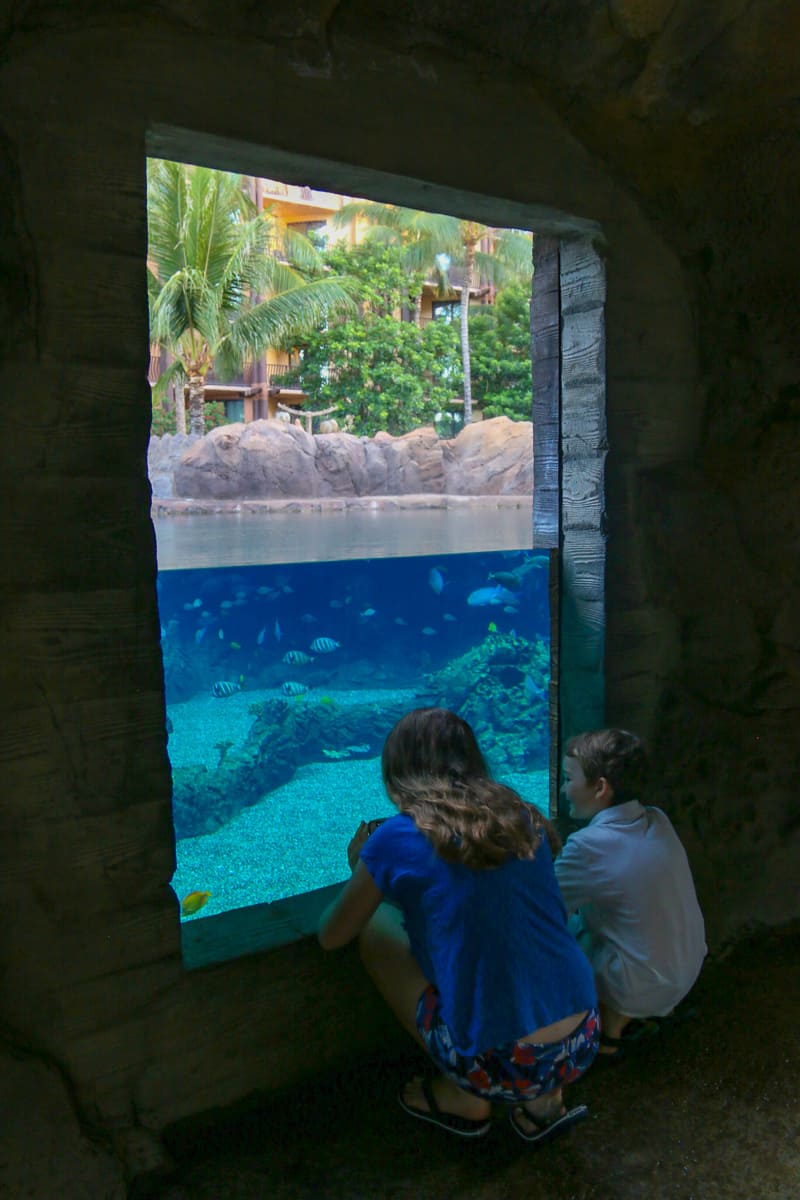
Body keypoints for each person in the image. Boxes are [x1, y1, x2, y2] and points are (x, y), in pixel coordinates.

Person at [318, 707, 599, 1142]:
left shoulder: (395, 837)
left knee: (375, 928)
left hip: (499, 1066)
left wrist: (362, 866)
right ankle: (546, 1102)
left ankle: (465, 1097)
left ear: (397, 777)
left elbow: (332, 935)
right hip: (583, 1039)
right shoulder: (521, 815)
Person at [555, 729, 707, 1060]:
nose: (564, 789)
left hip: (642, 987)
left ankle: (601, 1035)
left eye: (568, 779)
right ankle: (624, 1019)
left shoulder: (586, 846)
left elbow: (546, 914)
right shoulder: (658, 819)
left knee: (560, 935)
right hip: (686, 970)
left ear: (600, 787)